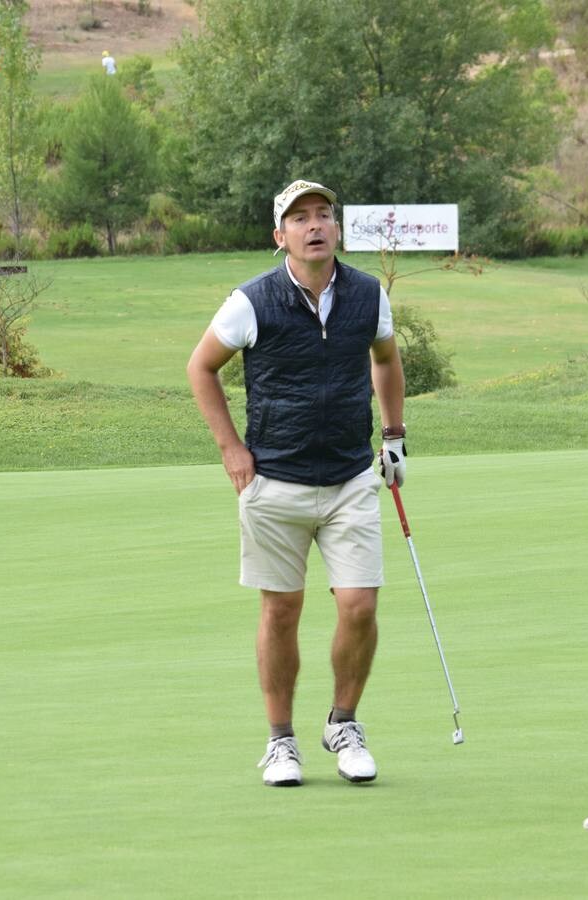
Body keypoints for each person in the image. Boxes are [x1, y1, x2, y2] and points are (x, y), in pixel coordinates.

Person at [187, 179, 407, 787]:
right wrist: (232, 449)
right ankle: (281, 742)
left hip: (349, 476)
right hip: (274, 480)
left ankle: (343, 722)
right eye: (300, 218)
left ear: (336, 228)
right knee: (281, 611)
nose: (315, 226)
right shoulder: (251, 301)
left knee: (359, 606)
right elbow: (200, 368)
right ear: (279, 234)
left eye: (324, 216)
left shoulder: (368, 295)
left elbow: (385, 360)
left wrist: (393, 435)